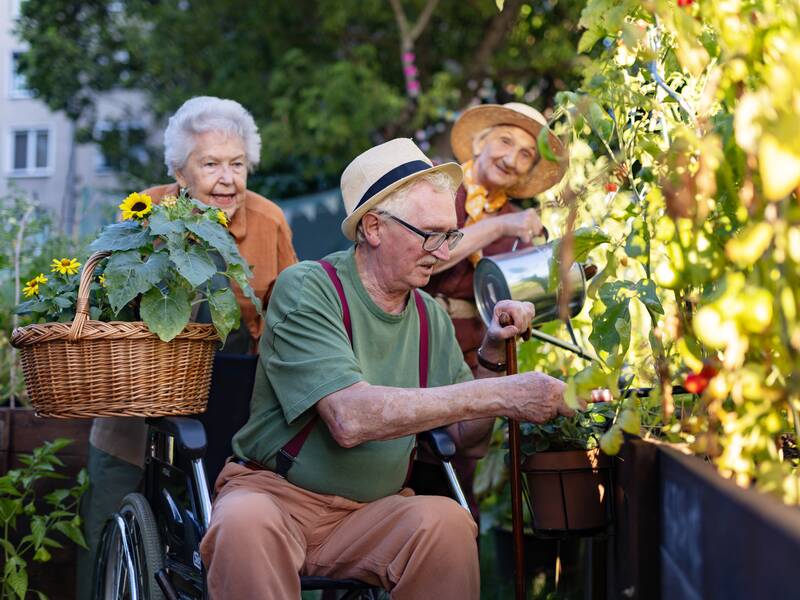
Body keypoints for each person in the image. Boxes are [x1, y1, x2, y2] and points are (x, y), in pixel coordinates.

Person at [200, 138, 603, 599]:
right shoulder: (308, 288)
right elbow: (349, 419)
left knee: (448, 524)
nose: (443, 249)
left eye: (450, 234)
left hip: (371, 514)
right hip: (276, 499)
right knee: (242, 523)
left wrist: (492, 350)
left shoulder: (431, 317)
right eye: (431, 234)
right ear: (373, 227)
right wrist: (506, 394)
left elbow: (467, 441)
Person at [76, 97, 297, 599]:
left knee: (227, 534)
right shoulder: (145, 213)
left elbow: (288, 317)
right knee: (110, 520)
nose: (228, 179)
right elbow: (112, 305)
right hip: (141, 398)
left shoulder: (268, 221)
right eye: (211, 164)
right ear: (180, 171)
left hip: (232, 407)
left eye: (237, 164)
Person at [419, 102, 569, 520]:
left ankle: (451, 556)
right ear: (481, 144)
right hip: (415, 334)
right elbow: (427, 256)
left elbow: (533, 298)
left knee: (458, 466)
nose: (512, 157)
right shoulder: (439, 185)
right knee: (402, 450)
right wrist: (498, 228)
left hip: (471, 351)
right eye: (506, 141)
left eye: (526, 154)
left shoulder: (518, 221)